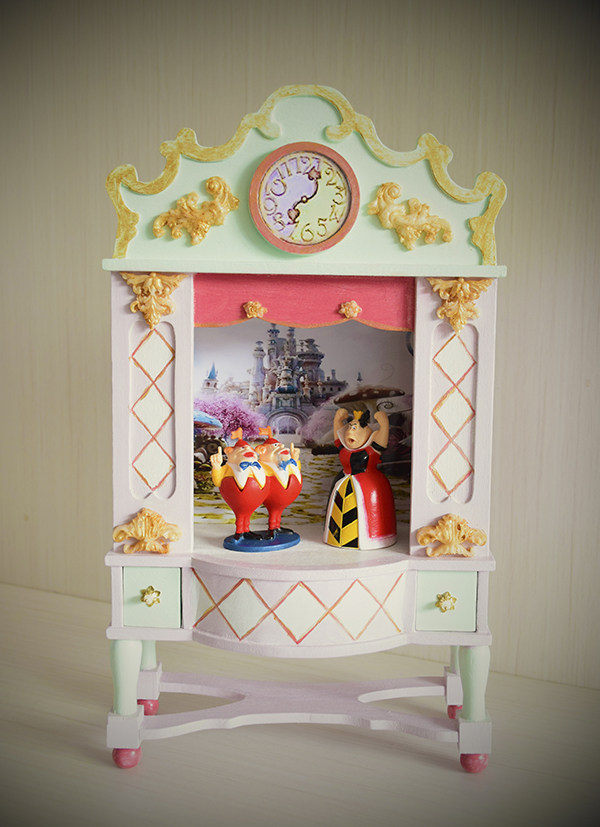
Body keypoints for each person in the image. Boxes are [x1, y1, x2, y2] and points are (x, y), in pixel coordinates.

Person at [324, 408, 396, 549]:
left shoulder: (371, 450)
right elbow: (338, 438)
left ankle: (371, 539)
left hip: (368, 486)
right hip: (343, 484)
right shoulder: (344, 449)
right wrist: (337, 420)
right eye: (349, 427)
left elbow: (381, 441)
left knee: (367, 516)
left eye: (354, 428)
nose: (349, 432)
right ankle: (336, 535)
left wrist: (384, 424)